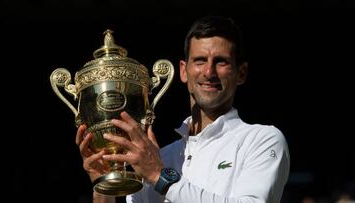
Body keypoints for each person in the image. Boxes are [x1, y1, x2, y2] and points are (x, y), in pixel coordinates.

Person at [76, 15, 290, 203]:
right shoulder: (160, 157)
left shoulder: (263, 139)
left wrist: (161, 177)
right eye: (199, 60)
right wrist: (103, 186)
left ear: (241, 73)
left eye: (221, 62)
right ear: (183, 71)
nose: (208, 71)